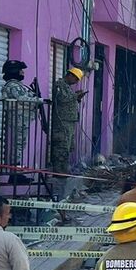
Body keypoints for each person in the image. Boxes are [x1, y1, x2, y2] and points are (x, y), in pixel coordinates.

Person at [0, 60, 41, 177]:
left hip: (22, 118)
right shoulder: (13, 86)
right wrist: (40, 100)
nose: (22, 72)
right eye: (20, 70)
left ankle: (16, 170)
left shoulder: (17, 85)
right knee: (18, 144)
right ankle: (15, 172)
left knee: (20, 144)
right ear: (14, 71)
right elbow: (22, 98)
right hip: (18, 118)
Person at [49, 67, 85, 196]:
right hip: (61, 122)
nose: (75, 81)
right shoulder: (60, 85)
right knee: (61, 146)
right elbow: (62, 99)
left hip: (69, 122)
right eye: (75, 78)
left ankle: (64, 169)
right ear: (69, 75)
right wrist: (76, 96)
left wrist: (77, 98)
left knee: (68, 147)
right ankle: (59, 171)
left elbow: (69, 100)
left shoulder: (68, 88)